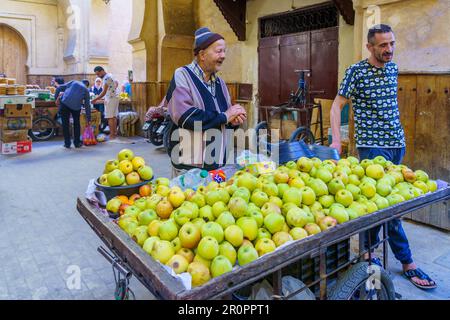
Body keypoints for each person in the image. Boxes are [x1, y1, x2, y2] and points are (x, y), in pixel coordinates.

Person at [330, 24, 436, 290]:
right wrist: (335, 140)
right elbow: (336, 106)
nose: (389, 50)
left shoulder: (393, 68)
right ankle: (407, 262)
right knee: (390, 208)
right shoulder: (356, 72)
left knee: (377, 205)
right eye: (383, 45)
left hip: (396, 145)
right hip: (372, 148)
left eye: (391, 44)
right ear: (369, 47)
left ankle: (367, 253)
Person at [166, 27, 247, 172]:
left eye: (224, 51)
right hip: (190, 168)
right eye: (218, 51)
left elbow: (222, 121)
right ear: (202, 54)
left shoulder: (220, 83)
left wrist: (232, 122)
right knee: (187, 195)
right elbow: (185, 117)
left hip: (217, 165)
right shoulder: (182, 75)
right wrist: (225, 116)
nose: (223, 56)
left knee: (217, 194)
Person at [55, 79, 91, 149]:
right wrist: (88, 118)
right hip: (76, 107)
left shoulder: (74, 82)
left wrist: (56, 99)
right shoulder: (86, 90)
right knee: (76, 124)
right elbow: (87, 105)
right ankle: (77, 143)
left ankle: (67, 143)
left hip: (65, 103)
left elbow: (59, 88)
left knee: (65, 124)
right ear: (87, 85)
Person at [92, 66, 120, 141]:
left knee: (110, 117)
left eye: (98, 74)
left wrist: (95, 99)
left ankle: (111, 135)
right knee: (114, 116)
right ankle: (114, 134)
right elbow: (116, 83)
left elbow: (103, 92)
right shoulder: (110, 75)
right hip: (115, 97)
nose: (98, 76)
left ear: (102, 71)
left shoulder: (106, 78)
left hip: (110, 98)